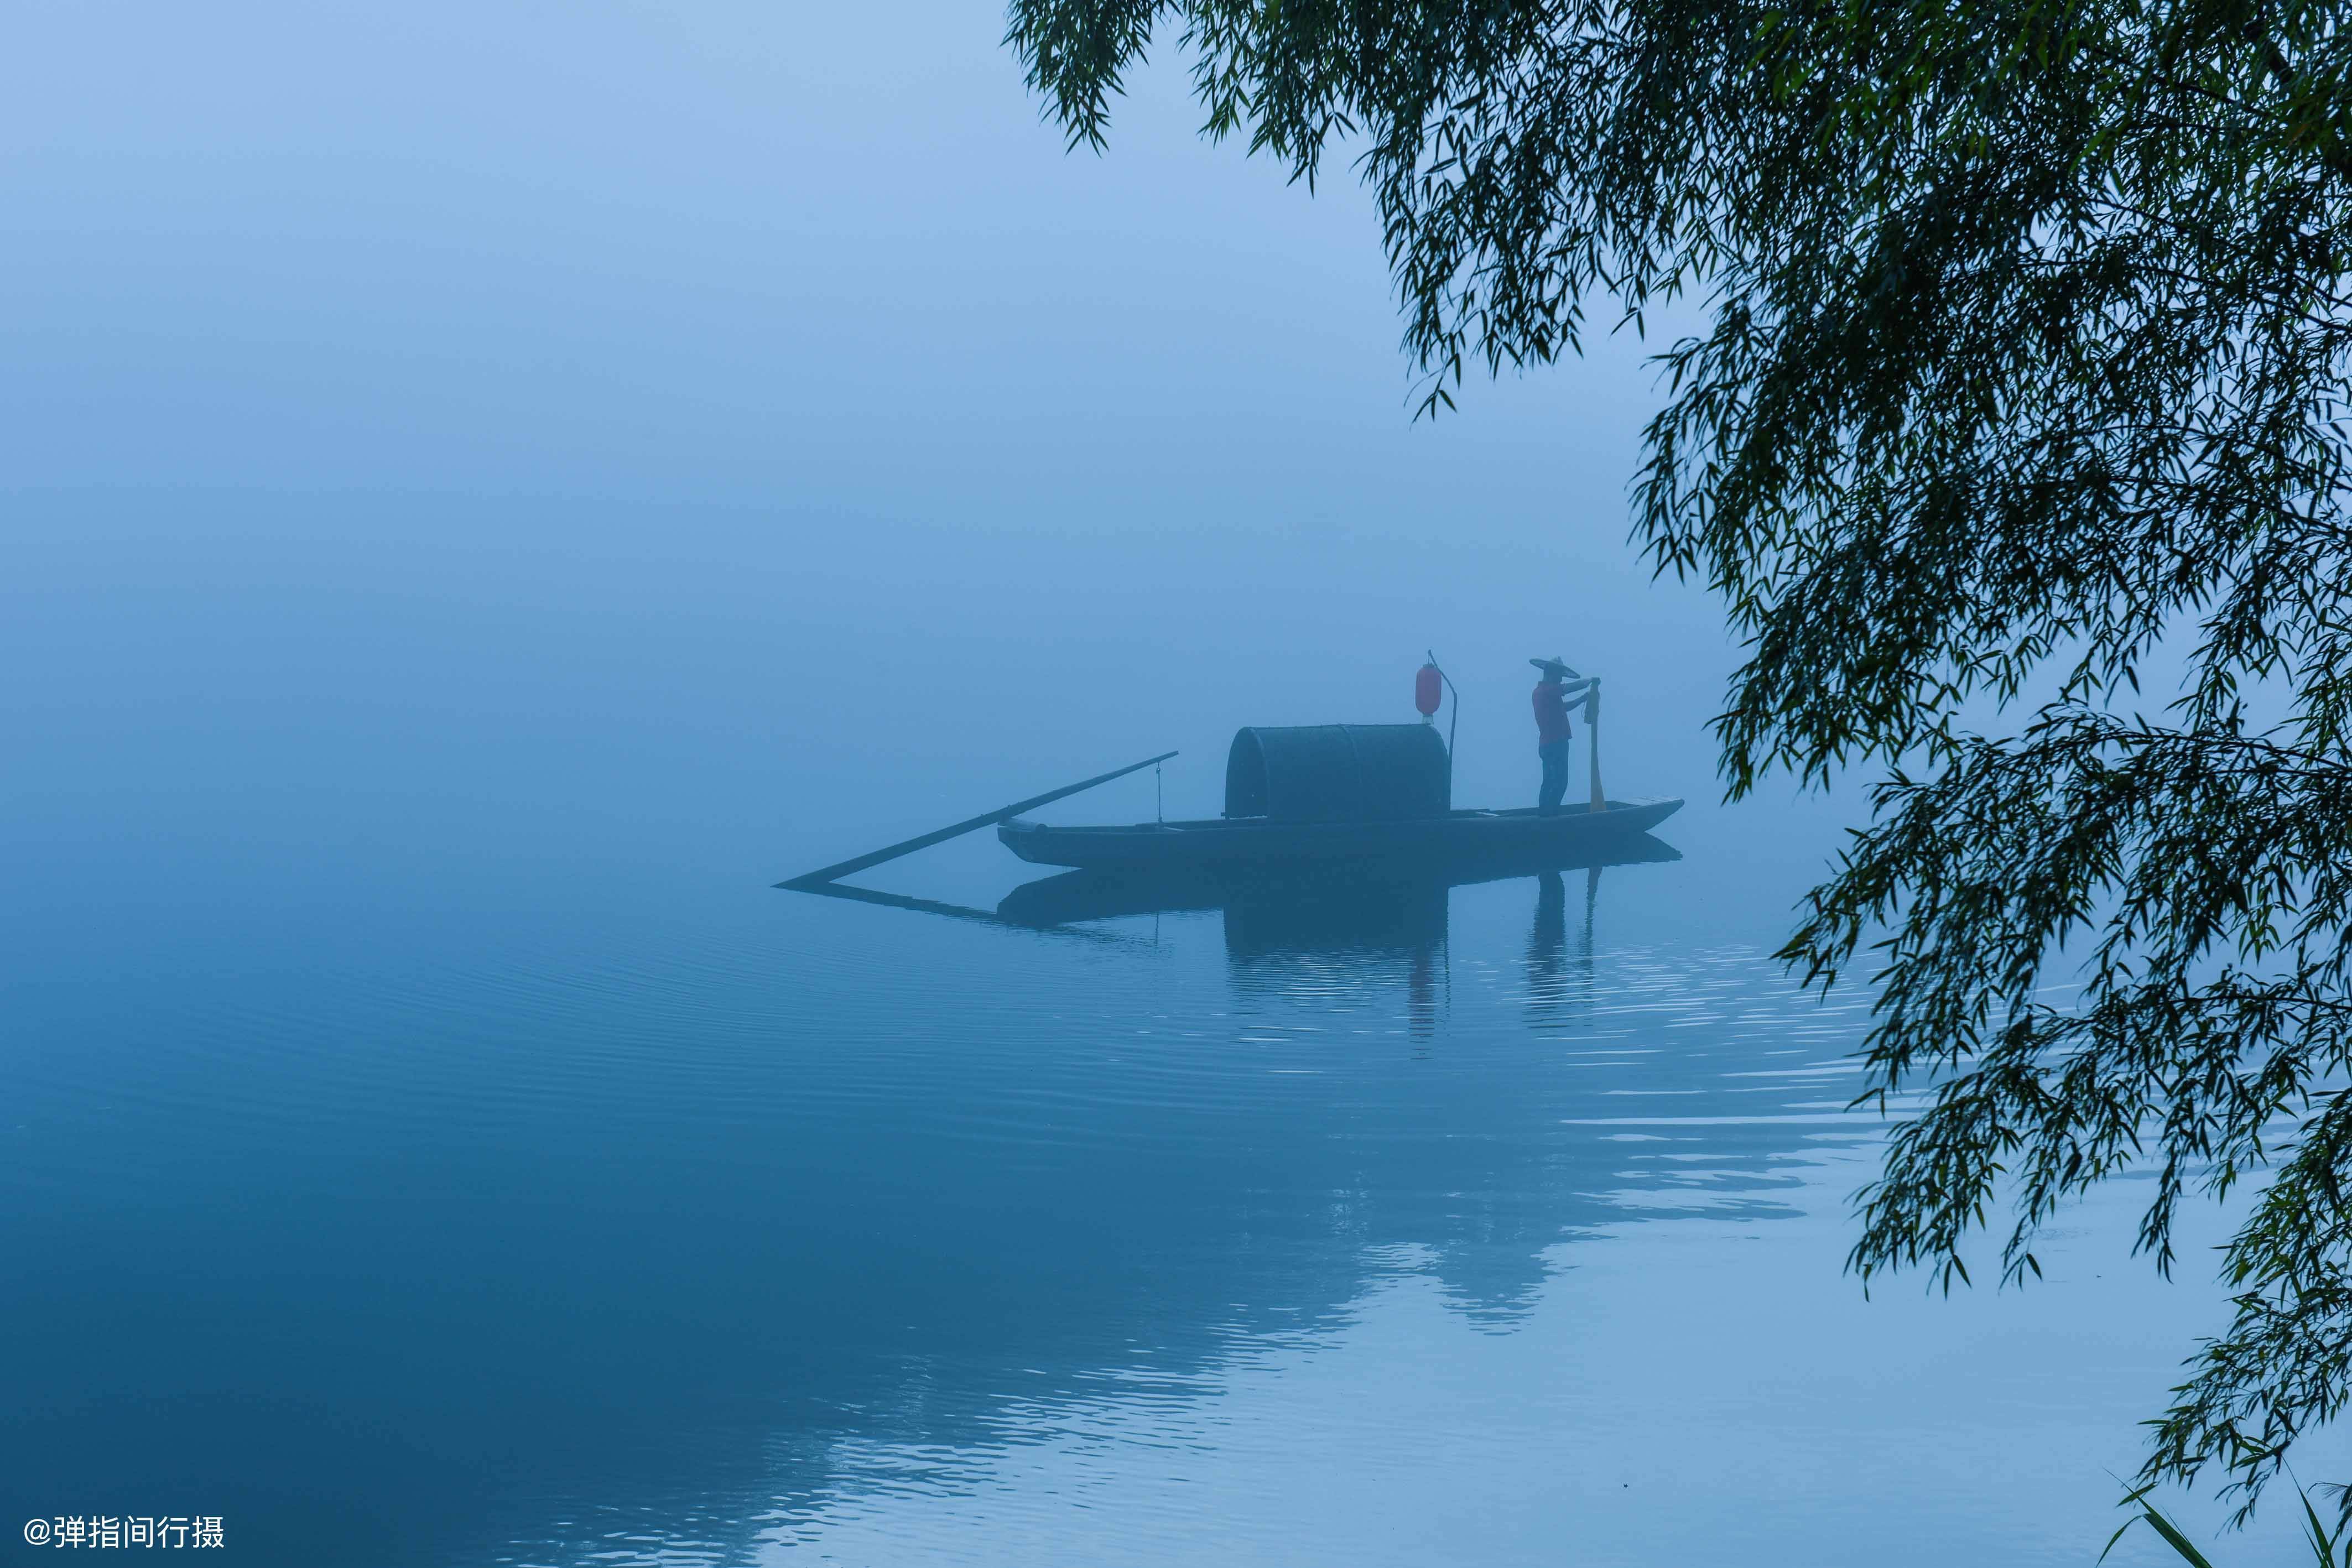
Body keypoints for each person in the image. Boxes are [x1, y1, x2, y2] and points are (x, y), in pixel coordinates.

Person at [1529, 656, 1593, 815]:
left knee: (1550, 781)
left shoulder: (1540, 693)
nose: (1560, 680)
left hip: (1547, 745)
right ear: (1552, 674)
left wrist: (1583, 699)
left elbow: (1564, 707)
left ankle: (1545, 813)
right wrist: (1589, 681)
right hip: (1555, 744)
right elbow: (1568, 688)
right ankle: (1549, 816)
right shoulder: (1548, 690)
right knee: (1559, 782)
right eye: (1559, 676)